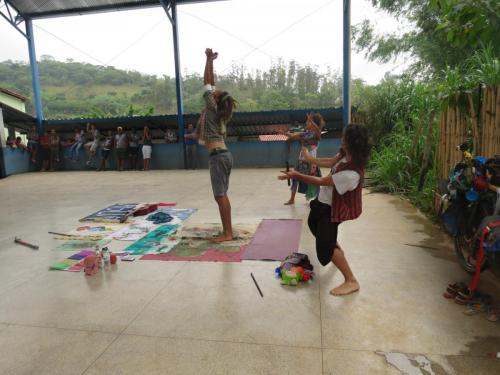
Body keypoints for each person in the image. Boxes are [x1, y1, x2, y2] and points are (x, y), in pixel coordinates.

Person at [279, 123, 372, 296]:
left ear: (352, 143)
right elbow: (329, 162)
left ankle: (351, 280)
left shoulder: (352, 173)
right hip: (323, 202)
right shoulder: (345, 156)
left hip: (333, 209)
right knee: (313, 223)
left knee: (325, 248)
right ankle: (336, 248)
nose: (342, 139)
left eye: (345, 138)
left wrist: (297, 175)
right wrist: (310, 159)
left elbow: (322, 182)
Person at [194, 48, 238, 242]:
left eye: (216, 93)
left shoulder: (212, 108)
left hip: (218, 157)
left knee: (220, 196)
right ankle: (227, 230)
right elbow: (211, 82)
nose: (214, 90)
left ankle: (227, 233)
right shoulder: (217, 112)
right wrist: (211, 61)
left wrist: (207, 61)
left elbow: (206, 82)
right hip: (224, 155)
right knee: (222, 195)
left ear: (216, 100)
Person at [284, 113, 324, 205]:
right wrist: (284, 133)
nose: (306, 122)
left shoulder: (317, 134)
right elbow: (292, 136)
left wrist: (312, 122)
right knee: (294, 178)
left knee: (315, 181)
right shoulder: (305, 134)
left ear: (314, 123)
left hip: (312, 163)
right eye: (307, 121)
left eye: (309, 121)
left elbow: (317, 130)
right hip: (301, 160)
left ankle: (319, 199)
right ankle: (292, 199)